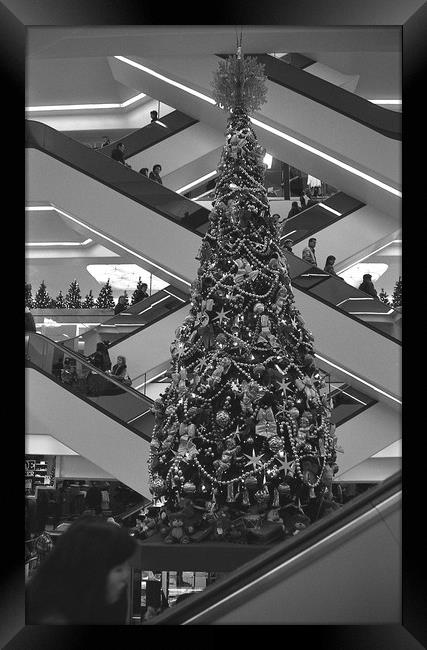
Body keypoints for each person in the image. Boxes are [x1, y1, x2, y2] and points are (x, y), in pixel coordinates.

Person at [26, 517, 137, 624]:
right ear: (91, 571)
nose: (126, 576)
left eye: (127, 566)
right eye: (118, 570)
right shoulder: (40, 611)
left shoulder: (112, 602)